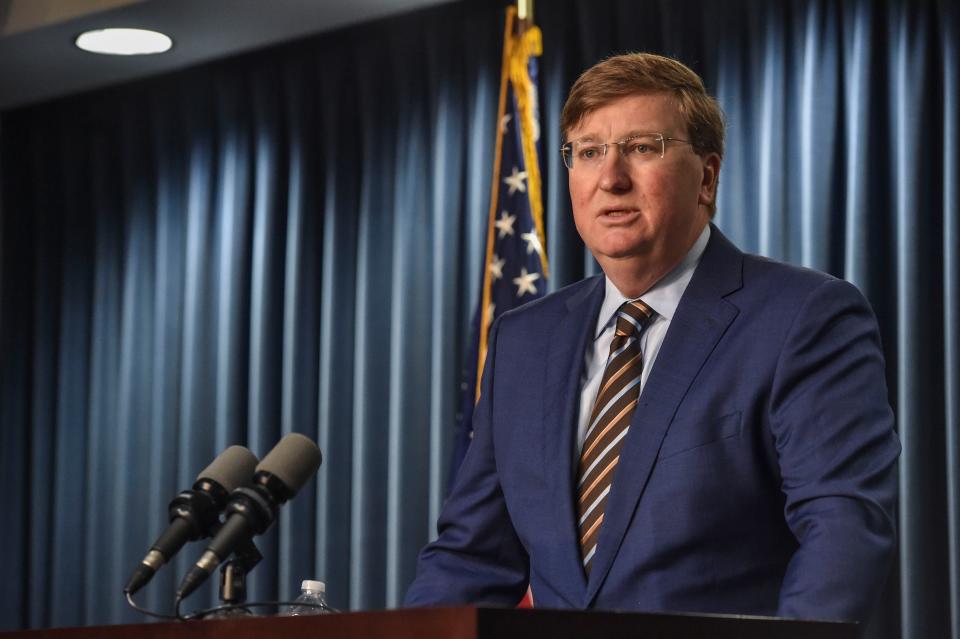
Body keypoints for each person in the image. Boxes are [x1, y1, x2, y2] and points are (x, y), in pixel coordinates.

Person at [405, 52, 900, 622]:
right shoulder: (523, 341)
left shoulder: (805, 317)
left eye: (643, 148)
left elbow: (842, 529)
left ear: (707, 177)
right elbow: (471, 557)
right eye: (588, 152)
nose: (610, 178)